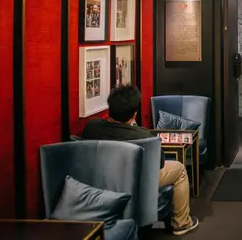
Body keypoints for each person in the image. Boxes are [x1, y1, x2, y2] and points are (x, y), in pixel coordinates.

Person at [81, 85, 198, 236]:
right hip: (137, 180)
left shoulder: (91, 127)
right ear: (134, 114)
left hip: (102, 178)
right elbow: (159, 163)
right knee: (179, 169)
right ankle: (181, 223)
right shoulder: (144, 136)